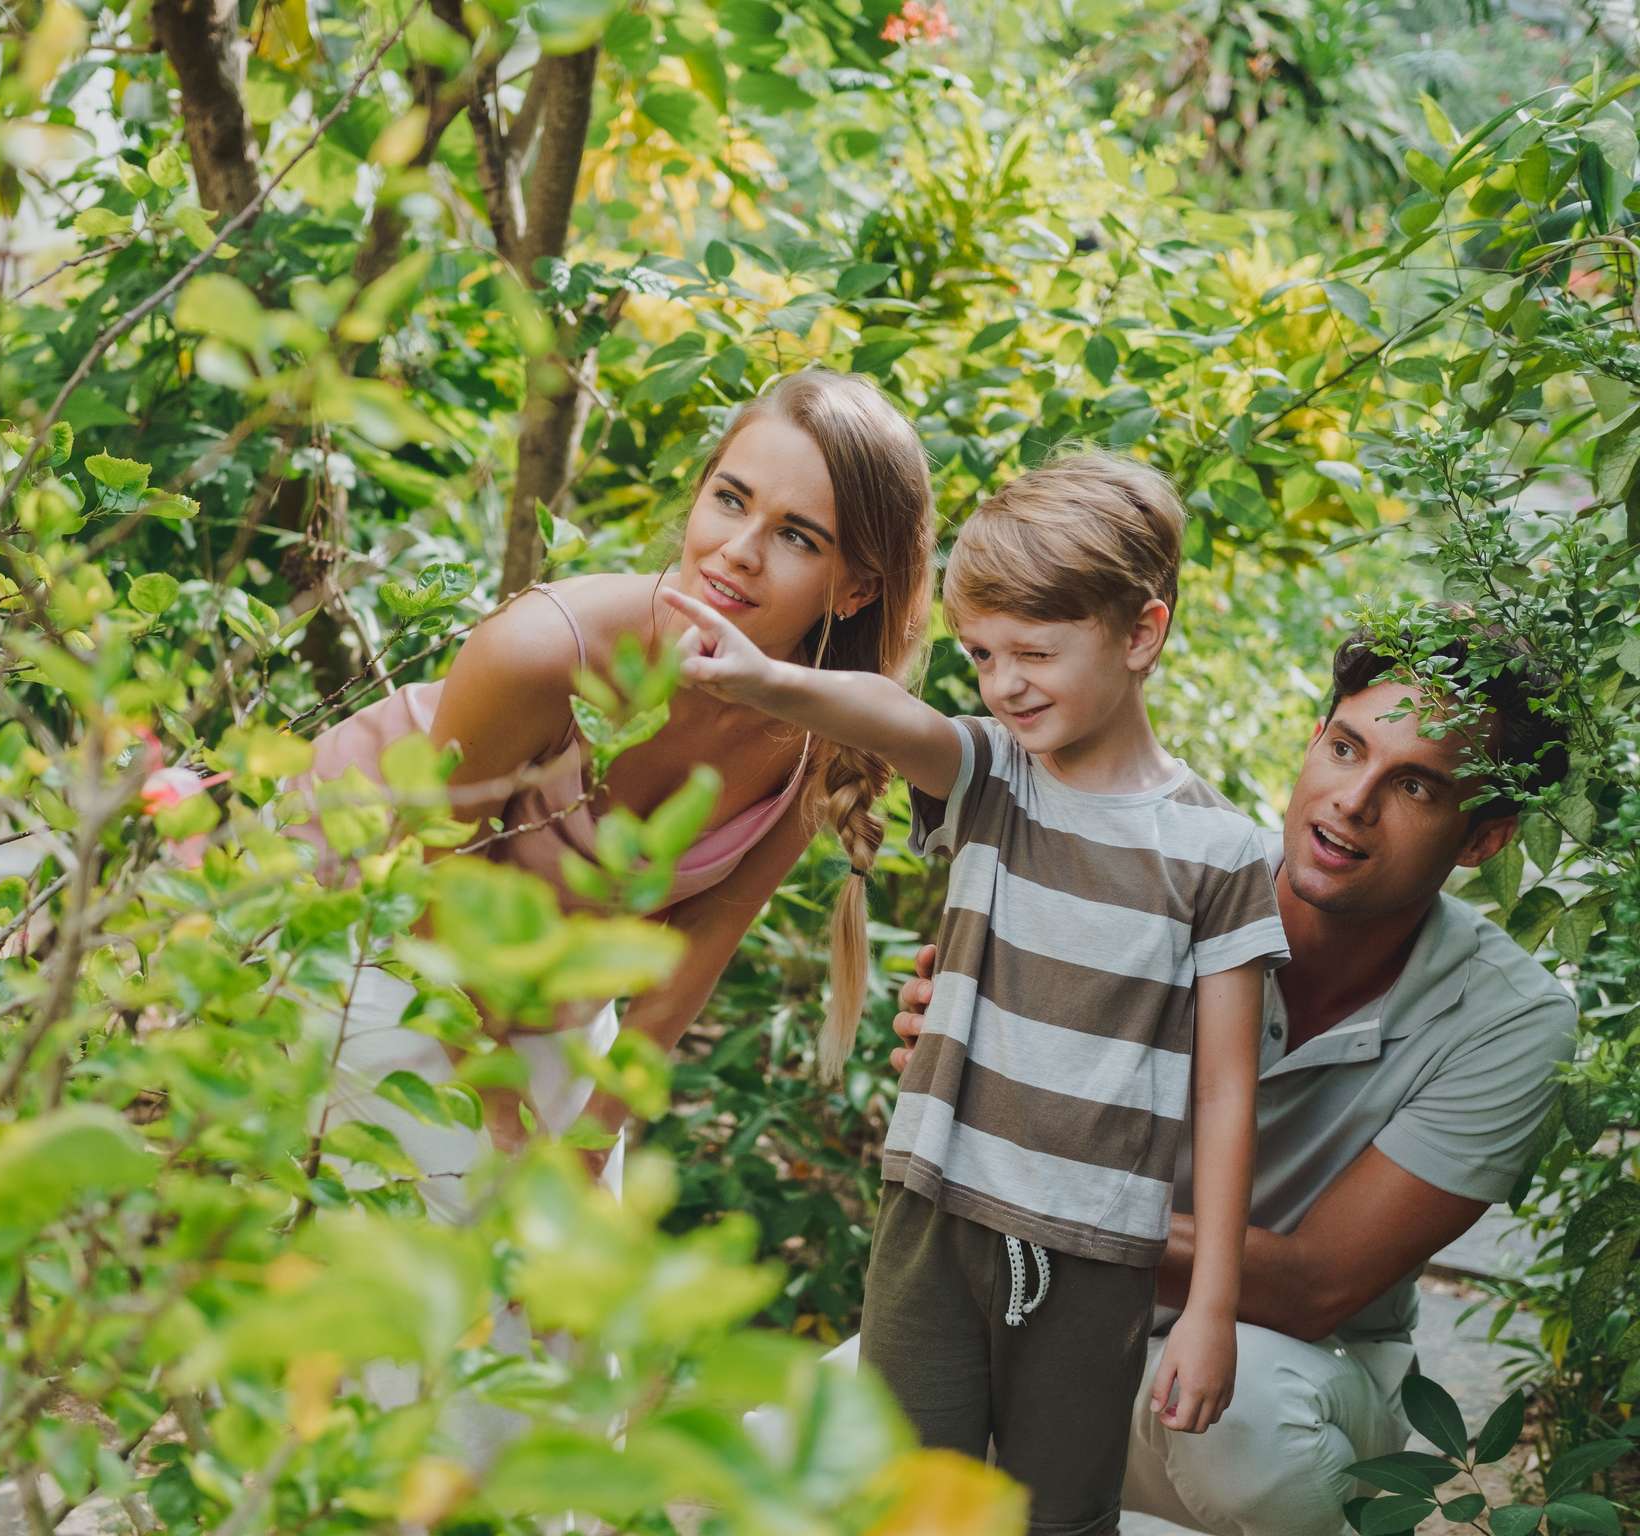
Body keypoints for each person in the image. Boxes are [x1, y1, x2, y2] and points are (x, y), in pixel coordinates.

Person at [668, 449, 1288, 1536]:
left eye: (1034, 654)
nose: (1003, 684)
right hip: (932, 1220)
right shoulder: (990, 776)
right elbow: (883, 713)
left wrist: (1210, 1307)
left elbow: (1226, 1094)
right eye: (980, 654)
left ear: (1140, 634)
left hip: (1095, 1259)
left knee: (1058, 1514)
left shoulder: (1219, 852)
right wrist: (764, 679)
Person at [885, 624, 1578, 1536]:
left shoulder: (1512, 1016)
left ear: (1484, 838)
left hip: (1290, 1366)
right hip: (1053, 1302)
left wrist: (1011, 1162)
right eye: (1344, 747)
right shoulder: (1165, 870)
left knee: (1250, 1431)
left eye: (1414, 785)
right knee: (819, 1437)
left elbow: (1316, 1285)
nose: (1352, 803)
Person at [291, 366, 936, 1218]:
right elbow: (425, 893)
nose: (739, 550)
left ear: (855, 589)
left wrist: (587, 1149)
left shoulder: (819, 735)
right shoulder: (543, 651)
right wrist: (504, 1121)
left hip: (552, 1003)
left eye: (798, 537)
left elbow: (697, 952)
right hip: (370, 939)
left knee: (569, 1301)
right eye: (730, 500)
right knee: (465, 1243)